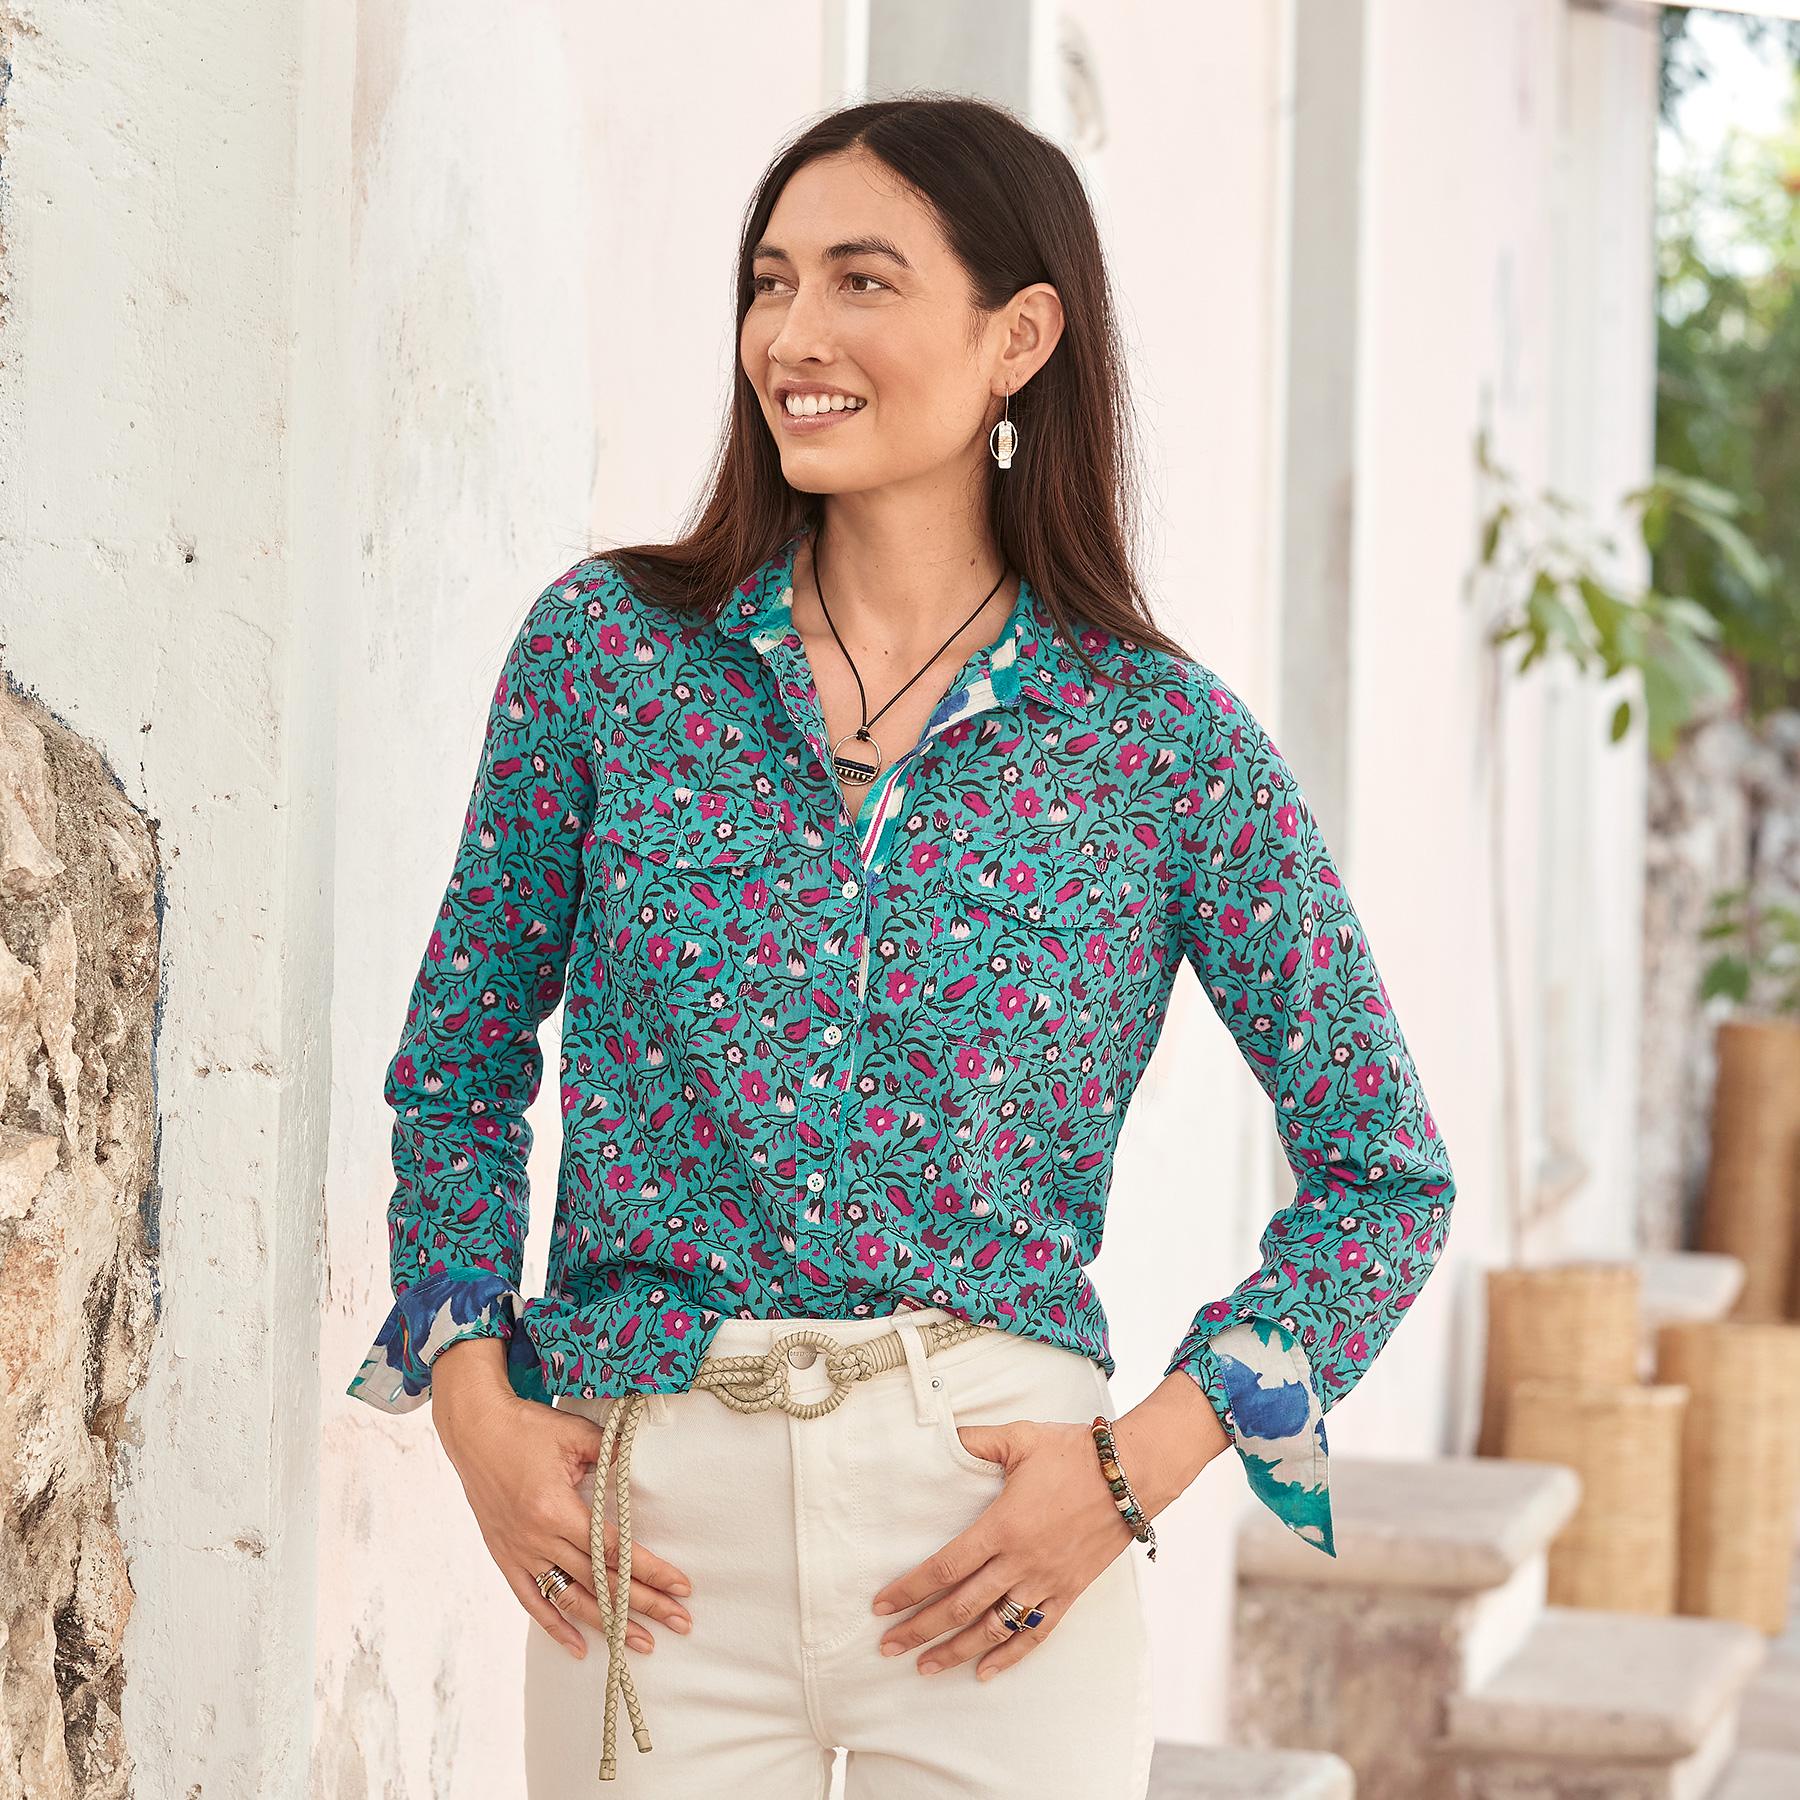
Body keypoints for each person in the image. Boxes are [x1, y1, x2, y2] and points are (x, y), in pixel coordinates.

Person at [344, 93, 1456, 1799]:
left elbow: (1386, 1175)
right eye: (771, 282)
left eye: (863, 282)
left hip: (999, 1522)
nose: (794, 335)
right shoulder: (607, 658)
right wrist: (475, 1404)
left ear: (1019, 338)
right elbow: (460, 1064)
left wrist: (1138, 1470)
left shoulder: (1162, 745)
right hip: (649, 1526)